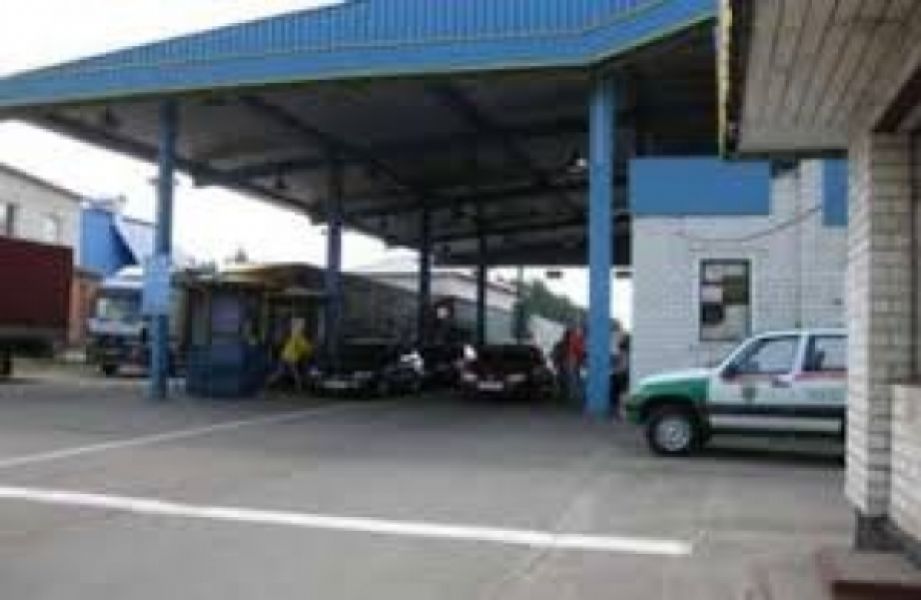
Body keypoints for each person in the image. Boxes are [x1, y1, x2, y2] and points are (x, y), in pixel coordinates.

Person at [267, 318, 313, 391]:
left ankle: (269, 381)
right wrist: (311, 348)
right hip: (290, 358)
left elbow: (303, 347)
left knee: (280, 372)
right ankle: (299, 387)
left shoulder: (294, 336)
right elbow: (305, 347)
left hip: (284, 356)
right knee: (294, 373)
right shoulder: (298, 337)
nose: (303, 328)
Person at [564, 325, 586, 406]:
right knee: (575, 378)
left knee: (576, 378)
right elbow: (578, 350)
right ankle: (574, 395)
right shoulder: (576, 339)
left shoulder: (579, 339)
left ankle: (574, 395)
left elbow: (580, 350)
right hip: (575, 359)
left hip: (576, 360)